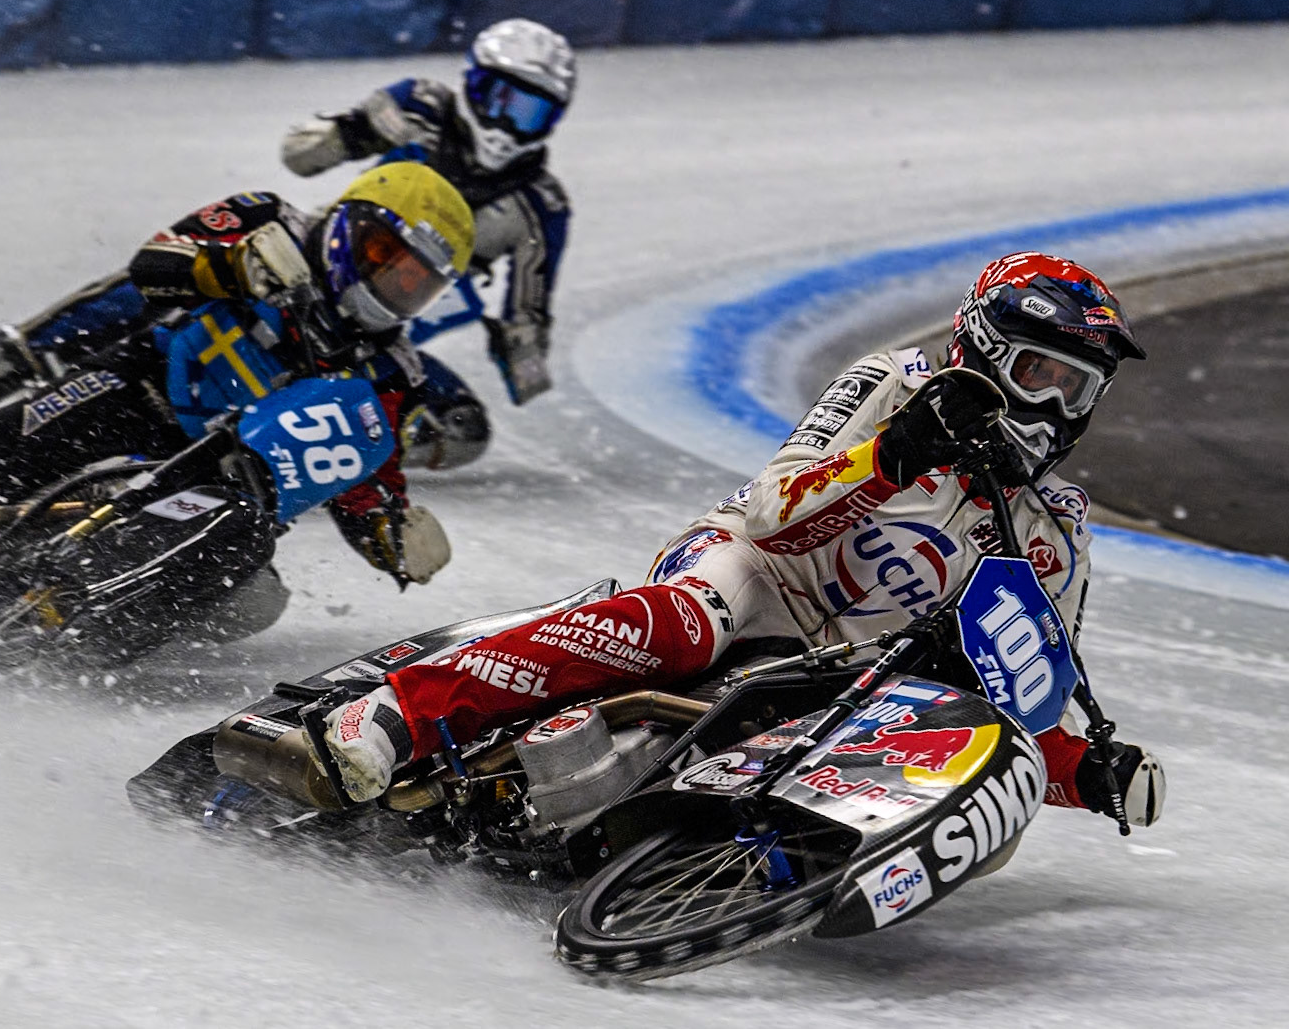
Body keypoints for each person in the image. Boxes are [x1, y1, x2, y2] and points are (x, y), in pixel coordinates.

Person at [319, 251, 1167, 831]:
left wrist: (1082, 773)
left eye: (1074, 387)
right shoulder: (888, 384)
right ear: (979, 349)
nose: (1052, 407)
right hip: (753, 572)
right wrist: (897, 453)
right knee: (691, 622)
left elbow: (1023, 697)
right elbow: (774, 514)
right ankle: (402, 710)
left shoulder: (1056, 530)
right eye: (1035, 373)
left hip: (850, 673)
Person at [0, 161, 476, 586]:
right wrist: (231, 268)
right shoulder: (268, 219)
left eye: (414, 281)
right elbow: (153, 265)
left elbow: (362, 465)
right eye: (383, 254)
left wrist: (384, 527)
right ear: (350, 222)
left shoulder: (394, 372)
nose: (390, 281)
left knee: (252, 602)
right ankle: (22, 355)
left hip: (223, 479)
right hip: (144, 387)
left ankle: (63, 626)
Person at [279, 18, 574, 410]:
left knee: (459, 427)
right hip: (332, 247)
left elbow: (526, 319)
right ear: (472, 81)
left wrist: (522, 360)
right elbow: (298, 155)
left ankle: (343, 398)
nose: (505, 125)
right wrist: (351, 132)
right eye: (499, 99)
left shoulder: (541, 204)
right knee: (253, 240)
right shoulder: (420, 107)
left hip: (396, 317)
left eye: (528, 113)